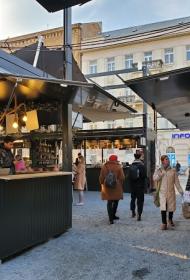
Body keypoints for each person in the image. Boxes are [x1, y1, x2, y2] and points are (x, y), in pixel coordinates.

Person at [153, 155, 184, 230]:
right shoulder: (159, 170)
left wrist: (181, 192)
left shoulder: (173, 170)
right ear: (162, 161)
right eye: (166, 159)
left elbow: (177, 183)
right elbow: (154, 178)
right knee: (163, 208)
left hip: (171, 192)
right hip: (162, 193)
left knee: (171, 208)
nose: (168, 160)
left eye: (168, 159)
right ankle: (164, 223)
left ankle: (170, 219)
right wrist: (161, 174)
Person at [99, 154, 125, 224]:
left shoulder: (104, 166)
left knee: (109, 202)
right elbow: (122, 177)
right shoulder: (118, 166)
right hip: (116, 187)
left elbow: (101, 177)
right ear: (116, 159)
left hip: (107, 187)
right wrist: (120, 183)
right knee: (116, 201)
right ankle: (113, 215)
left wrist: (102, 183)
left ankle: (110, 219)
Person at [129, 153, 146, 221]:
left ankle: (133, 212)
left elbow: (129, 177)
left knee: (133, 199)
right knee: (140, 200)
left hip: (133, 186)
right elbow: (144, 176)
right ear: (140, 157)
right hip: (140, 186)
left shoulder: (131, 165)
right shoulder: (142, 165)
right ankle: (139, 214)